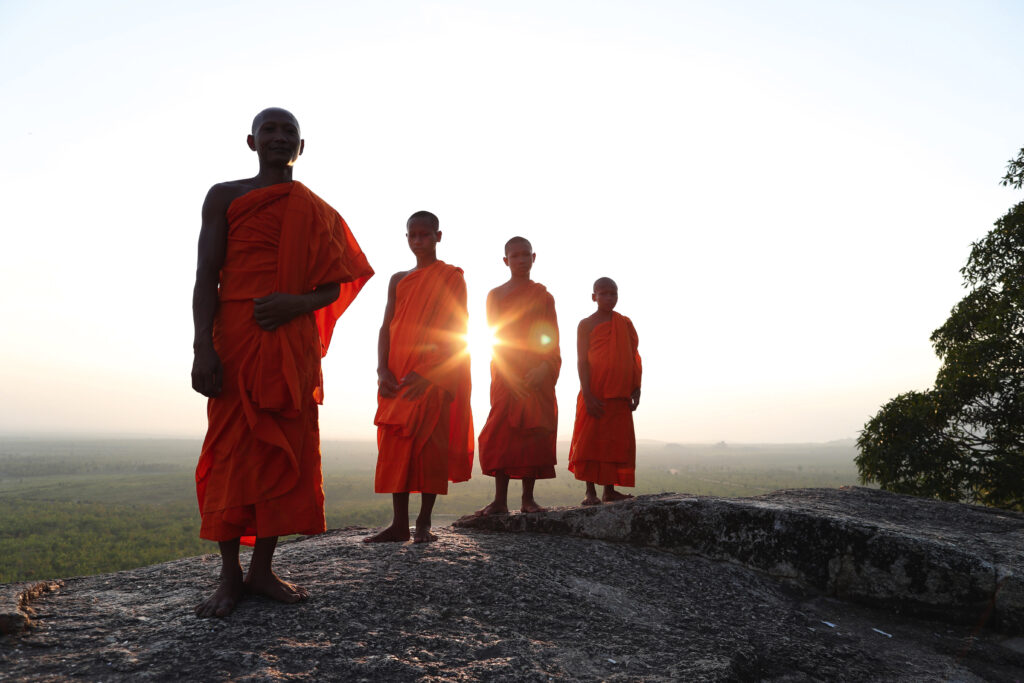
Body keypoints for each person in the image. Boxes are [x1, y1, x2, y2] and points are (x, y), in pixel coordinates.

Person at [190, 108, 373, 618]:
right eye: (268, 129)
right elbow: (207, 274)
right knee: (230, 450)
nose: (278, 137)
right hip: (235, 339)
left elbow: (335, 284)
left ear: (301, 146)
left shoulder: (314, 209)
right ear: (251, 141)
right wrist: (202, 347)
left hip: (288, 342)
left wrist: (294, 304)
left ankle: (262, 569)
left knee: (281, 448)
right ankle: (228, 575)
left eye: (287, 131)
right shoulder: (226, 197)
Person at [365, 211, 474, 543]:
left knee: (430, 449)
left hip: (432, 377)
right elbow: (387, 326)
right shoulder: (399, 279)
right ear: (407, 238)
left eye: (425, 235)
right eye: (412, 235)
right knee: (396, 447)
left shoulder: (451, 277)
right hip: (397, 376)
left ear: (438, 237)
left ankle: (424, 523)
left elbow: (457, 329)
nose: (418, 241)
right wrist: (383, 369)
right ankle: (399, 524)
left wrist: (431, 375)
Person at [474, 237, 560, 515]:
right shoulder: (495, 295)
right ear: (505, 260)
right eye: (515, 256)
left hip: (536, 373)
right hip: (506, 371)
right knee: (502, 431)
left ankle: (528, 499)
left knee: (533, 431)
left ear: (534, 257)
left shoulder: (544, 296)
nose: (521, 260)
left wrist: (544, 369)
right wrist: (509, 373)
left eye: (526, 255)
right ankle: (500, 500)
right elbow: (494, 336)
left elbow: (551, 337)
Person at [568, 277, 642, 505]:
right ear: (594, 297)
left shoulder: (625, 324)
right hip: (594, 390)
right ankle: (590, 492)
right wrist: (588, 394)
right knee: (590, 439)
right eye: (604, 294)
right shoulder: (586, 324)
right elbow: (582, 361)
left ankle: (609, 490)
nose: (610, 298)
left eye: (614, 294)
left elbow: (633, 357)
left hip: (619, 393)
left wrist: (636, 387)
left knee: (615, 441)